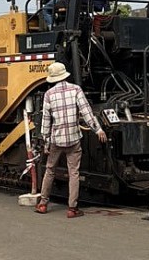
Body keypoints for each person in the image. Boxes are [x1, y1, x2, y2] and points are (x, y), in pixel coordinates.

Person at [35, 62, 107, 217]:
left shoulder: (49, 95)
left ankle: (42, 204)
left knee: (50, 170)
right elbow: (87, 113)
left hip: (56, 141)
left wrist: (46, 142)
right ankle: (72, 209)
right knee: (73, 173)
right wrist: (98, 130)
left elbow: (46, 121)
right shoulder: (76, 90)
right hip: (74, 139)